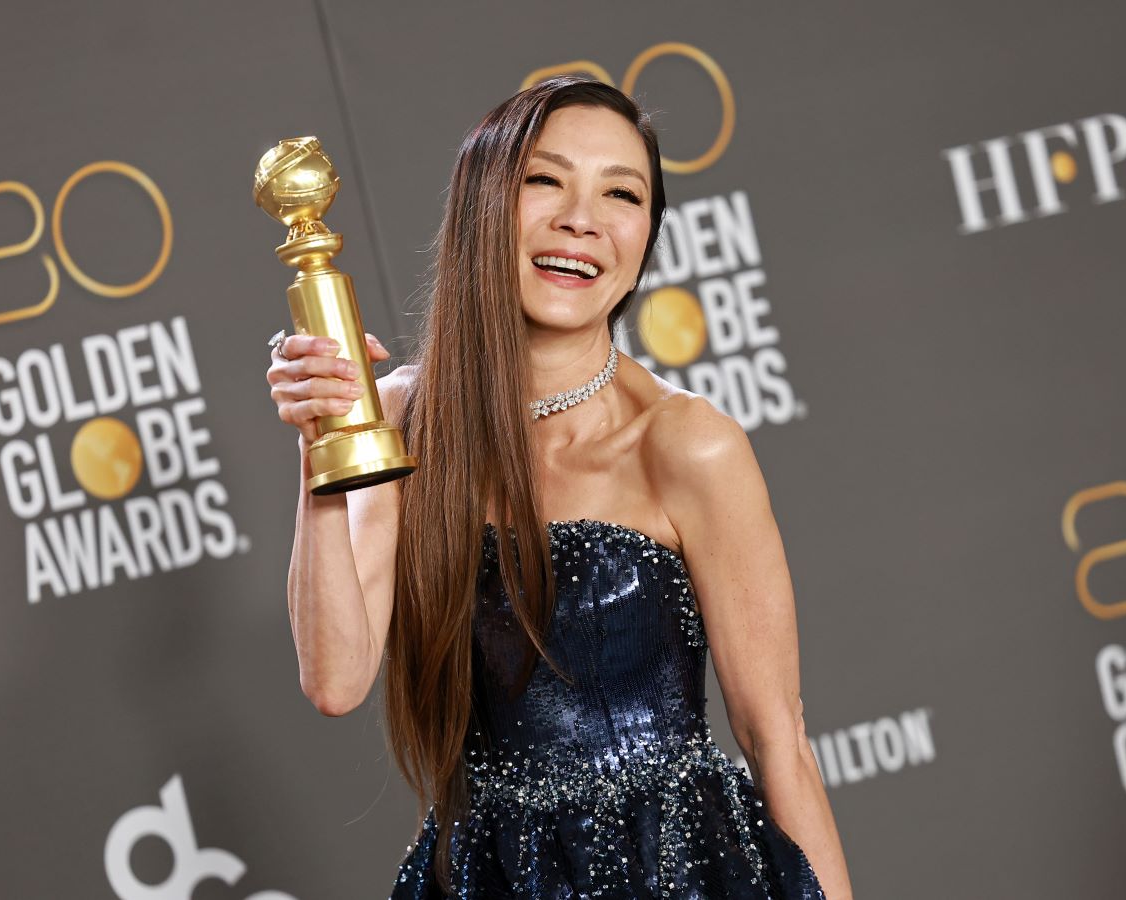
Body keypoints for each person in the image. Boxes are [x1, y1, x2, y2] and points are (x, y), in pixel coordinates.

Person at [266, 75, 853, 899]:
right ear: (483, 206)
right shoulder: (403, 416)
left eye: (622, 194)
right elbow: (336, 679)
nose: (583, 219)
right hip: (486, 878)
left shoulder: (684, 443)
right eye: (546, 181)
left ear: (646, 234)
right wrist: (326, 445)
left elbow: (775, 736)